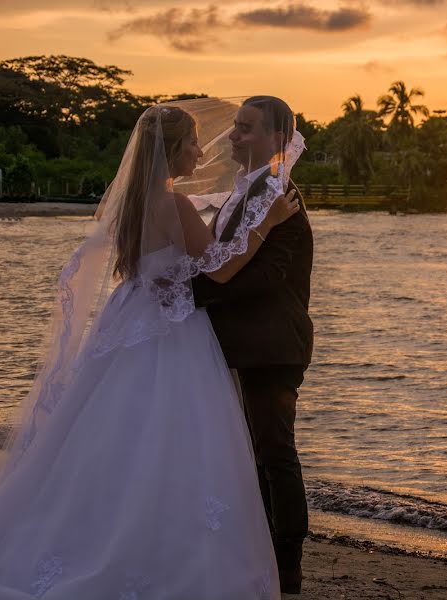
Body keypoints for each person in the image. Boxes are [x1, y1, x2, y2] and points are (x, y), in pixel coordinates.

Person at [0, 103, 300, 599]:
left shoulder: (135, 201)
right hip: (169, 330)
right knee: (173, 434)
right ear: (172, 149)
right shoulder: (174, 204)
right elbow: (220, 269)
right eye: (194, 143)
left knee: (111, 428)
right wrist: (268, 222)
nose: (203, 152)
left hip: (130, 317)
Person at [190, 95, 314, 596]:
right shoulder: (249, 189)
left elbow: (267, 275)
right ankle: (260, 552)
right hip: (245, 341)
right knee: (252, 452)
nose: (235, 136)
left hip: (271, 344)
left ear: (278, 140)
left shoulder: (276, 192)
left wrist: (191, 294)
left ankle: (288, 566)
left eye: (246, 128)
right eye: (236, 127)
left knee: (274, 450)